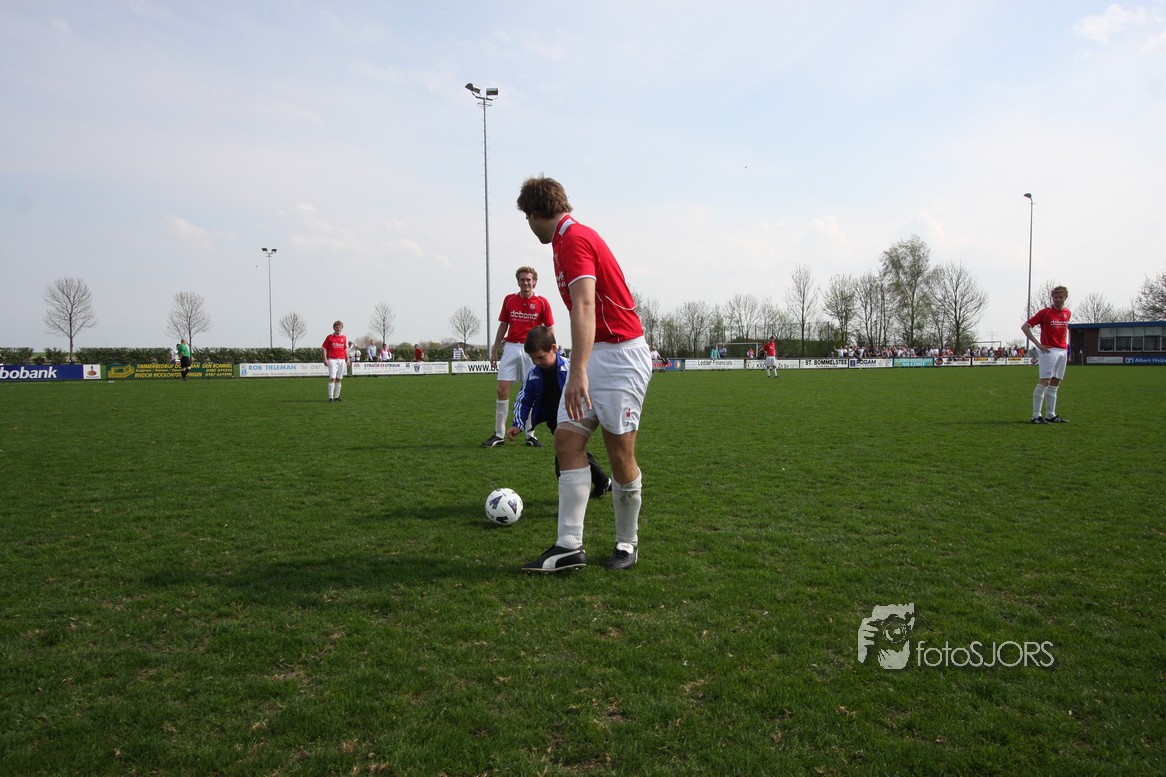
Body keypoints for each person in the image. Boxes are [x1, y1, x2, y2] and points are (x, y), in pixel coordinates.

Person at [515, 175, 651, 573]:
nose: (528, 225)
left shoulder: (574, 239)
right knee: (567, 440)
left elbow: (585, 305)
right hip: (595, 353)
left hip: (620, 356)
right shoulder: (563, 241)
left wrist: (576, 371)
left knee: (619, 453)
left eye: (527, 218)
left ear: (535, 213)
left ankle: (627, 542)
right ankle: (569, 546)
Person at [506, 326, 612, 499]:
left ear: (554, 349)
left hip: (573, 416)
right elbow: (523, 399)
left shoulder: (571, 369)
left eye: (541, 357)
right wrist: (517, 423)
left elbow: (591, 387)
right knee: (574, 451)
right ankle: (602, 482)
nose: (536, 362)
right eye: (532, 358)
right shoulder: (533, 374)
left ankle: (572, 499)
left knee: (564, 460)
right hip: (554, 421)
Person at [481, 266, 556, 449]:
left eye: (528, 279)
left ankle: (530, 434)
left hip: (532, 350)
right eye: (522, 279)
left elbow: (549, 328)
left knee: (532, 392)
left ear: (534, 282)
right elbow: (503, 325)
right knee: (501, 390)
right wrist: (495, 349)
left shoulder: (542, 302)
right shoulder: (509, 300)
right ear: (518, 281)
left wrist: (551, 350)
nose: (525, 283)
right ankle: (499, 434)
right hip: (511, 348)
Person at [1022, 285, 1072, 424]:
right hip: (1049, 351)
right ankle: (1036, 416)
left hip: (1062, 350)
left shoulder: (1067, 313)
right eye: (1055, 297)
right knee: (1045, 382)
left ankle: (1051, 414)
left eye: (1061, 297)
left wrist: (1066, 349)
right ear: (1052, 298)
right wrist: (1038, 344)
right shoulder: (1045, 313)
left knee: (1055, 382)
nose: (1058, 299)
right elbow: (1025, 327)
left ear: (1065, 297)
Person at [321, 320, 350, 402]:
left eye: (340, 327)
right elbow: (324, 348)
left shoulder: (344, 337)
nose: (339, 329)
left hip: (342, 360)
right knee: (332, 378)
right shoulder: (330, 337)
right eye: (337, 327)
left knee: (339, 379)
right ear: (334, 328)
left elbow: (345, 349)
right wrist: (325, 359)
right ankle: (330, 397)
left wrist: (347, 359)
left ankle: (337, 397)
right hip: (332, 360)